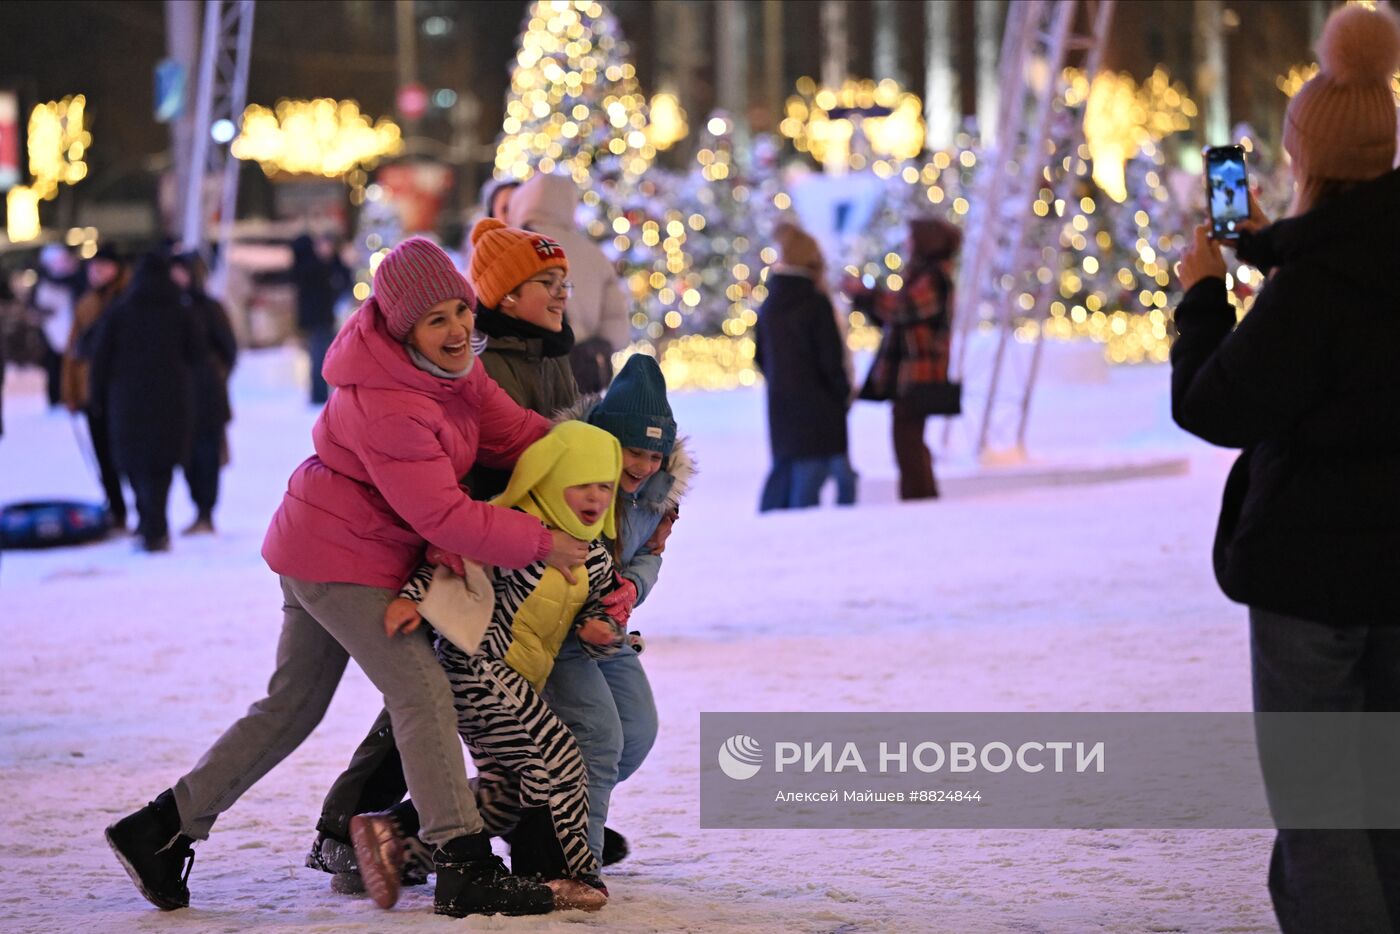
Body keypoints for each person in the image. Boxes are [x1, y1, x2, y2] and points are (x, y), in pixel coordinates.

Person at [104, 237, 587, 919]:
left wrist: (588, 456)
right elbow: (445, 516)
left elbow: (512, 431)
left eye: (461, 310)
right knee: (422, 693)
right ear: (401, 327)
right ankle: (463, 862)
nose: (457, 330)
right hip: (342, 560)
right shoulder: (389, 402)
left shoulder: (449, 368)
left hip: (329, 546)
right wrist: (544, 540)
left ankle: (157, 830)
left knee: (291, 708)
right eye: (437, 320)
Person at [1169, 6, 1400, 932]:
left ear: (1305, 157)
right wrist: (1266, 247)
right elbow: (1344, 252)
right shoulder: (1349, 261)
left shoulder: (1312, 294)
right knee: (1384, 791)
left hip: (1314, 570)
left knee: (1319, 805)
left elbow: (1218, 406)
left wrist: (1199, 305)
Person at [378, 420, 628, 912]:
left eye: (605, 485)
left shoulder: (594, 555)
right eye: (582, 483)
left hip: (517, 682)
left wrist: (605, 633)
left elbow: (604, 609)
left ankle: (395, 836)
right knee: (559, 755)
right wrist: (413, 598)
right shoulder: (514, 527)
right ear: (552, 480)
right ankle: (553, 874)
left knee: (509, 790)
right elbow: (451, 555)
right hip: (474, 666)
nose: (596, 497)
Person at [545, 352, 693, 872]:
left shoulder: (655, 495)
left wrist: (631, 589)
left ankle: (555, 817)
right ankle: (573, 859)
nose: (644, 466)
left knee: (636, 732)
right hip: (557, 632)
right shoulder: (574, 476)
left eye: (655, 455)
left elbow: (650, 554)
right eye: (633, 452)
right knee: (601, 739)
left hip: (606, 631)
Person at [844, 217, 962, 501]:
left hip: (919, 373)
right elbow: (898, 315)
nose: (906, 244)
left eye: (911, 238)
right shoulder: (927, 275)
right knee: (909, 438)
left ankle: (918, 498)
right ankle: (921, 495)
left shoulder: (933, 278)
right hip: (911, 373)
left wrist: (865, 295)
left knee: (907, 439)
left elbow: (903, 310)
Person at [87, 254, 197, 552]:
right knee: (161, 467)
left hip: (127, 401)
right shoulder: (180, 309)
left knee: (135, 464)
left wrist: (96, 396)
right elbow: (197, 352)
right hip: (170, 399)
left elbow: (100, 358)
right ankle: (155, 525)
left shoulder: (120, 311)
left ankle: (148, 522)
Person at [755, 223, 856, 511]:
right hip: (820, 408)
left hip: (783, 406)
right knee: (816, 488)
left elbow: (759, 355)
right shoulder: (814, 301)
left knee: (789, 479)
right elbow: (830, 358)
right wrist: (842, 391)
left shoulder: (771, 301)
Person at [510, 172, 630, 394]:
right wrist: (598, 346)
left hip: (528, 365)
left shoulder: (516, 246)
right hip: (583, 368)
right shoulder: (594, 254)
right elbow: (617, 322)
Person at [62, 245, 131, 530]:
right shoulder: (86, 303)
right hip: (93, 394)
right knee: (103, 455)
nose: (97, 272)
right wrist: (72, 393)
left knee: (126, 456)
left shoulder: (128, 300)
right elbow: (73, 354)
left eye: (103, 266)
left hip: (122, 393)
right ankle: (117, 510)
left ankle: (142, 511)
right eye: (94, 267)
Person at [171, 252, 238, 535]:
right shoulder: (170, 307)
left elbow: (228, 348)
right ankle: (199, 509)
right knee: (186, 457)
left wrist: (214, 373)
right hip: (179, 396)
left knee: (207, 456)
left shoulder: (209, 307)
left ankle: (205, 513)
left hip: (207, 395)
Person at [290, 233, 349, 406]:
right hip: (321, 318)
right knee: (320, 357)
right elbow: (341, 276)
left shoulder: (309, 266)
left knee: (320, 357)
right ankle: (319, 395)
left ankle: (320, 394)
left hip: (319, 318)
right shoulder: (314, 267)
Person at [32, 243, 85, 408]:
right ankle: (57, 397)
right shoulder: (43, 282)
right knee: (55, 366)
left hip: (74, 329)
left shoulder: (76, 279)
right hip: (52, 332)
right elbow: (34, 306)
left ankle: (72, 396)